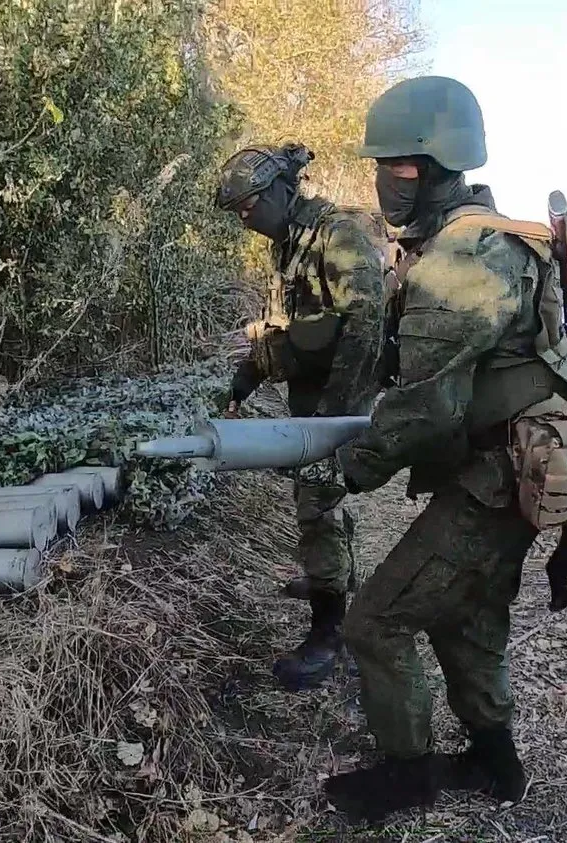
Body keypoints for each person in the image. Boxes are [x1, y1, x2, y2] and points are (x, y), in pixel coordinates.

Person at [322, 75, 567, 824]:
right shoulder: (498, 239)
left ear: (418, 169)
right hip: (514, 471)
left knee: (376, 621)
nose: (379, 183)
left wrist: (351, 467)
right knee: (469, 616)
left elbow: (427, 406)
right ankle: (497, 761)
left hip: (494, 481)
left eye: (386, 166)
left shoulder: (463, 261)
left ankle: (407, 775)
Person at [214, 142, 392, 691]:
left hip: (339, 393)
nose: (246, 221)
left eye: (249, 208)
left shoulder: (339, 236)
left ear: (277, 192)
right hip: (311, 391)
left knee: (317, 499)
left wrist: (333, 421)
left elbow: (365, 326)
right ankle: (336, 578)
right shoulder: (289, 241)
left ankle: (328, 634)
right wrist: (246, 378)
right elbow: (283, 328)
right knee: (319, 496)